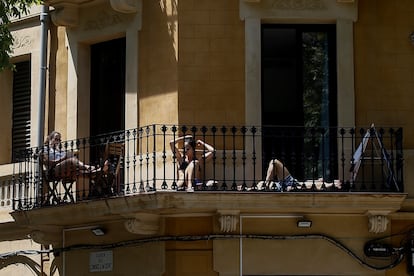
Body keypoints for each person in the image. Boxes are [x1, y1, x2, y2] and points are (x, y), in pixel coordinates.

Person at [42, 131, 108, 180]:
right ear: (50, 139)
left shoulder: (60, 150)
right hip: (54, 171)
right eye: (56, 139)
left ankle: (97, 171)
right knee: (71, 160)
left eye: (59, 140)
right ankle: (91, 167)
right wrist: (63, 158)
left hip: (66, 168)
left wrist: (70, 154)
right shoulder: (45, 149)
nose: (58, 141)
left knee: (77, 172)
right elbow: (48, 162)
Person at [262, 159, 342, 191]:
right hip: (289, 185)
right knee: (309, 185)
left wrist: (266, 183)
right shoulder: (256, 187)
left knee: (274, 162)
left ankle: (332, 184)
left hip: (288, 183)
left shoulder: (259, 186)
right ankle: (332, 184)